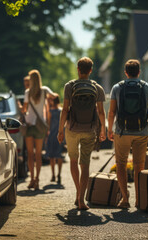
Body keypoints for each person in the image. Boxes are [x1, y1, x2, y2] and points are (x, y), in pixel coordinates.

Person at [107, 59, 148, 208]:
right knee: (139, 166)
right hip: (141, 132)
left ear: (125, 72)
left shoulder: (117, 87)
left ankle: (125, 199)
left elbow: (111, 112)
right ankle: (139, 199)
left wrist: (110, 129)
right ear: (139, 71)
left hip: (122, 132)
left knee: (121, 164)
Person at [57, 57, 106, 210]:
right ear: (91, 70)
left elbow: (64, 109)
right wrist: (103, 130)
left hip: (71, 129)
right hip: (90, 130)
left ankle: (78, 193)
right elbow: (101, 112)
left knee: (73, 161)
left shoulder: (69, 86)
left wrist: (60, 130)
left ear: (78, 69)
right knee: (85, 166)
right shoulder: (97, 88)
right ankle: (82, 200)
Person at [22, 69, 57, 190]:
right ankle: (37, 179)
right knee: (38, 155)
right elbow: (55, 96)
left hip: (29, 124)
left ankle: (31, 179)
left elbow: (24, 110)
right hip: (40, 125)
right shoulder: (45, 90)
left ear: (31, 80)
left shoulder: (27, 92)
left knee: (30, 154)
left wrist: (21, 108)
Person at [46, 96, 64, 184]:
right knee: (59, 155)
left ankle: (54, 175)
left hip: (52, 135)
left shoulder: (50, 111)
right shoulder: (61, 111)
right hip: (60, 135)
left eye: (51, 99)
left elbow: (48, 123)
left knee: (52, 156)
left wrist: (47, 135)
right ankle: (58, 174)